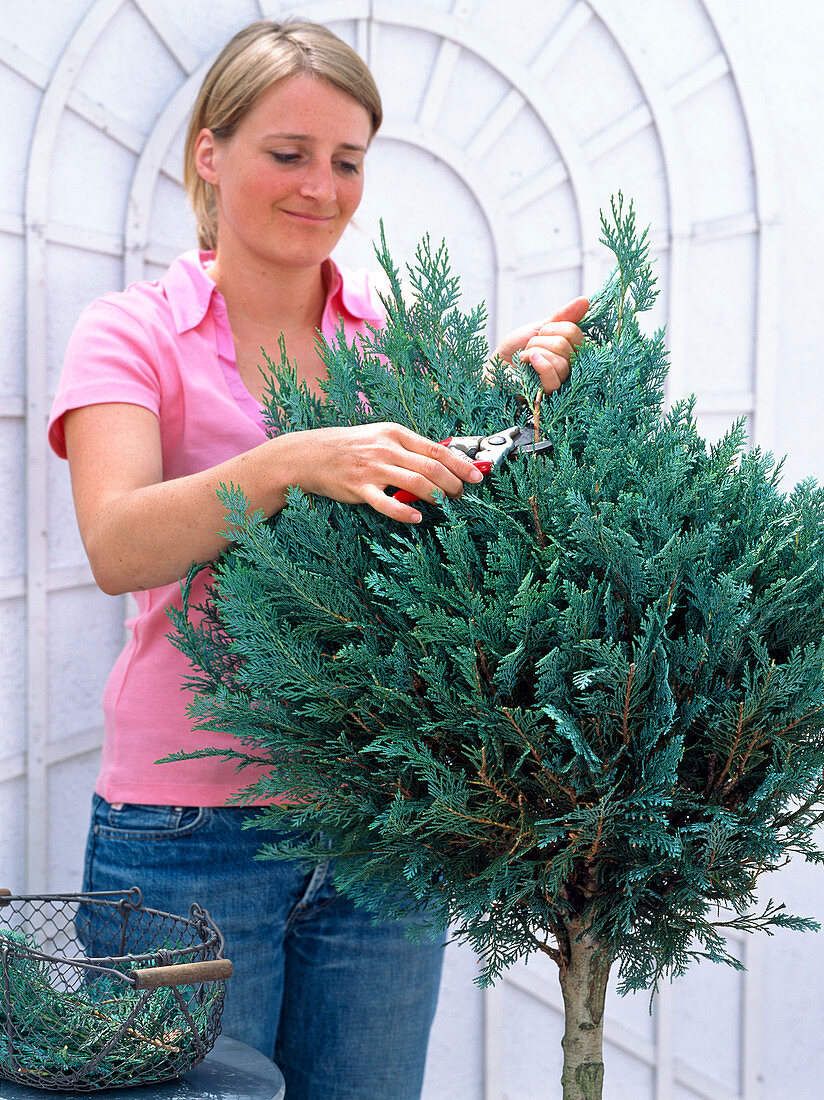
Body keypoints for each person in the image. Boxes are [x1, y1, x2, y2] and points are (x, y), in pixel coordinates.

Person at [48, 18, 587, 1100]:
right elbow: (115, 543)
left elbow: (441, 540)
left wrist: (506, 404)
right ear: (211, 153)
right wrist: (290, 460)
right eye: (286, 153)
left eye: (346, 160)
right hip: (183, 829)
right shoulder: (130, 333)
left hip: (378, 818)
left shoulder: (389, 349)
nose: (320, 186)